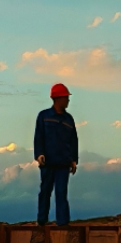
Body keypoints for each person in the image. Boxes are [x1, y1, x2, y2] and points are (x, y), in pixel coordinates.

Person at [34, 83, 79, 227]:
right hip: (48, 162)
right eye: (66, 97)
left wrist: (73, 160)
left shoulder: (69, 119)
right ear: (58, 99)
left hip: (63, 163)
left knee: (61, 192)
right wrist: (39, 154)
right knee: (45, 191)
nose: (68, 100)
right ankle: (42, 221)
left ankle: (63, 223)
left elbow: (73, 140)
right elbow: (39, 136)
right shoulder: (44, 116)